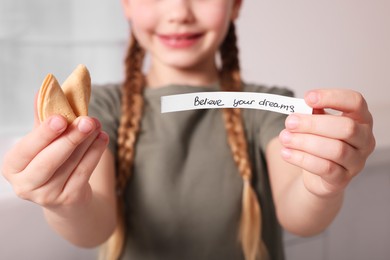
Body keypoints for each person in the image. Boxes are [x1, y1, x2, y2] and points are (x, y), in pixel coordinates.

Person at [1, 0, 376, 260]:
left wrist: (324, 184)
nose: (179, 12)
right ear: (126, 4)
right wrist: (62, 201)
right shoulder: (101, 108)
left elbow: (300, 215)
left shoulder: (268, 104)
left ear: (236, 4)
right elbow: (92, 229)